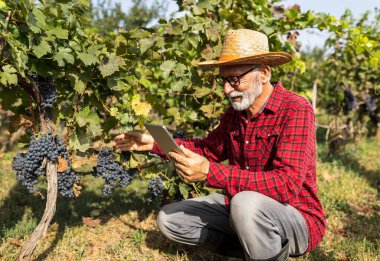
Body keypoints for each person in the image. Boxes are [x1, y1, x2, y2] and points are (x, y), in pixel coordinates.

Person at [114, 29, 326, 260]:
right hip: (244, 209)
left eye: (235, 79)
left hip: (295, 216)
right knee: (170, 219)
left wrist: (210, 172)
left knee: (245, 203)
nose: (226, 89)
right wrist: (155, 144)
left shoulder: (295, 108)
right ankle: (252, 246)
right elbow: (208, 149)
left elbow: (286, 185)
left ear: (264, 73)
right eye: (224, 80)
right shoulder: (236, 113)